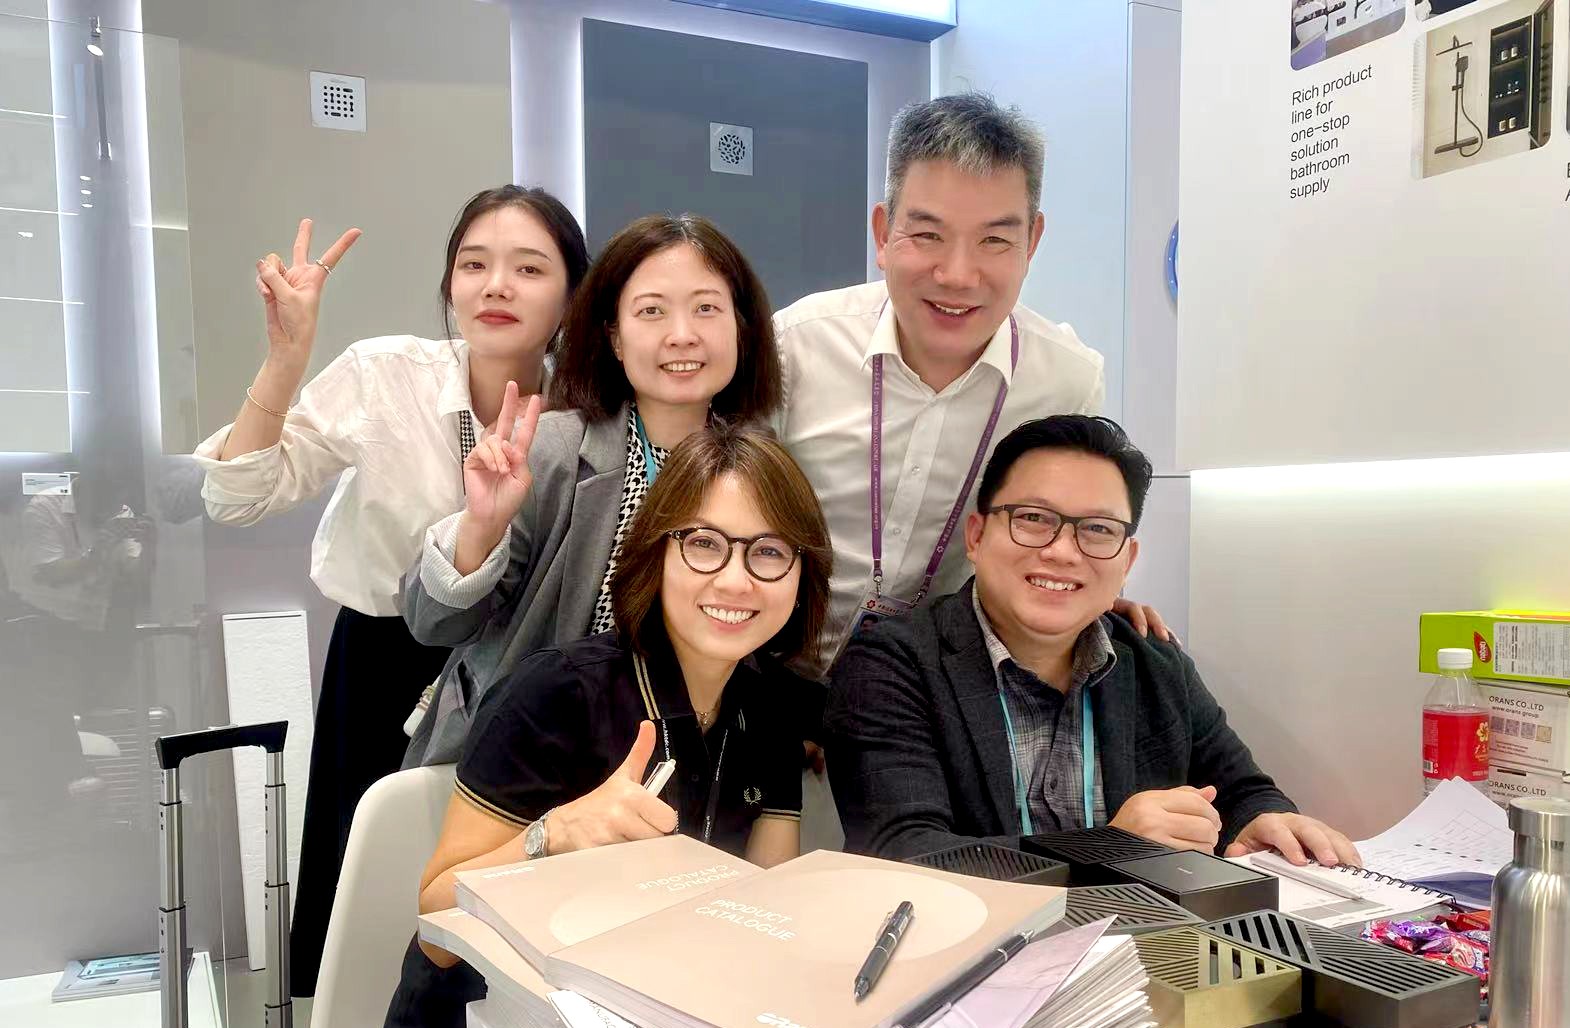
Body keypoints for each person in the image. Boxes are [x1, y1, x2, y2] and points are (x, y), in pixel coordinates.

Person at [192, 185, 589, 996]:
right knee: (374, 884)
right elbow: (236, 497)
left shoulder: (588, 411)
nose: (496, 285)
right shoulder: (386, 375)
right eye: (473, 264)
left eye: (529, 268)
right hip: (383, 661)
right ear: (449, 283)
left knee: (500, 900)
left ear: (571, 295)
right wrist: (285, 359)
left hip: (517, 668)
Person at [385, 423, 832, 1028]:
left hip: (659, 1000)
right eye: (704, 543)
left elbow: (764, 909)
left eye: (770, 552)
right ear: (655, 553)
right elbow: (436, 927)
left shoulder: (772, 708)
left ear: (804, 574)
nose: (735, 579)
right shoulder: (554, 694)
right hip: (491, 1008)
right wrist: (554, 834)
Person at [825, 415, 1359, 867]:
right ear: (977, 536)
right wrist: (1109, 846)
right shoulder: (892, 663)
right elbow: (903, 854)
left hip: (1153, 947)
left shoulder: (1153, 659)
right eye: (1033, 519)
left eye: (1098, 529)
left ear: (1127, 560)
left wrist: (1265, 821)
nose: (1062, 552)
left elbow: (1241, 788)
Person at [771, 93, 1169, 671]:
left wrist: (1090, 598)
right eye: (927, 235)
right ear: (883, 233)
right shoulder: (796, 347)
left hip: (934, 694)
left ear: (1032, 243)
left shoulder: (1067, 380)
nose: (957, 276)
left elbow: (1059, 535)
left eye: (994, 241)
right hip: (771, 678)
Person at [402, 213, 782, 767]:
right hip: (529, 759)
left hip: (687, 761)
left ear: (742, 329)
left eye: (706, 308)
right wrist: (480, 528)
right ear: (615, 337)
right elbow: (434, 623)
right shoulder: (552, 450)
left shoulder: (761, 466)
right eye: (651, 311)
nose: (682, 334)